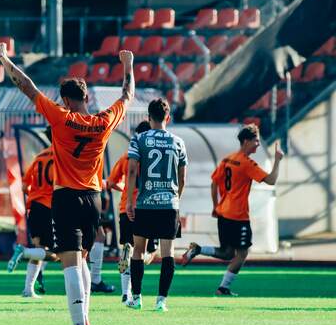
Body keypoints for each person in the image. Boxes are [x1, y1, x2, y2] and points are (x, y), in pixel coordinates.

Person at [0, 41, 134, 325]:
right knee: (82, 260)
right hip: (94, 198)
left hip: (66, 197)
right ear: (86, 97)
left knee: (69, 262)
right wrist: (128, 65)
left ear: (67, 101)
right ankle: (85, 321)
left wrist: (4, 59)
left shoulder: (61, 117)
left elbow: (27, 86)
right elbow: (127, 95)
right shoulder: (103, 122)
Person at [181, 124, 284, 296]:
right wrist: (278, 160)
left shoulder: (227, 159)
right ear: (246, 141)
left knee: (227, 253)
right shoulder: (247, 163)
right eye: (256, 141)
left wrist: (216, 206)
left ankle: (198, 249)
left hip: (224, 213)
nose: (258, 144)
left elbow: (214, 183)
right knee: (242, 254)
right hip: (238, 216)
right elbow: (271, 180)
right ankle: (223, 288)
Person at [125, 98, 187, 312]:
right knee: (167, 253)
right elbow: (182, 178)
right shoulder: (178, 142)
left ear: (148, 117)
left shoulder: (139, 139)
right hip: (169, 205)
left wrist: (129, 201)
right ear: (167, 117)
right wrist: (175, 199)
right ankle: (161, 301)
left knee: (138, 251)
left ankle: (136, 297)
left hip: (145, 204)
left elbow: (131, 171)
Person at [107, 120, 159, 304]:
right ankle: (132, 260)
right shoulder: (155, 157)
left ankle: (125, 294)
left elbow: (111, 182)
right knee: (150, 253)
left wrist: (127, 189)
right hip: (148, 208)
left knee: (129, 248)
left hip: (126, 207)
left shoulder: (126, 157)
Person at [7, 127, 59, 297]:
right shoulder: (62, 156)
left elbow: (24, 186)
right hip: (50, 208)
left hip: (35, 207)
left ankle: (28, 289)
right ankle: (24, 252)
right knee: (59, 254)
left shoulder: (39, 157)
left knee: (39, 248)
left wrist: (37, 194)